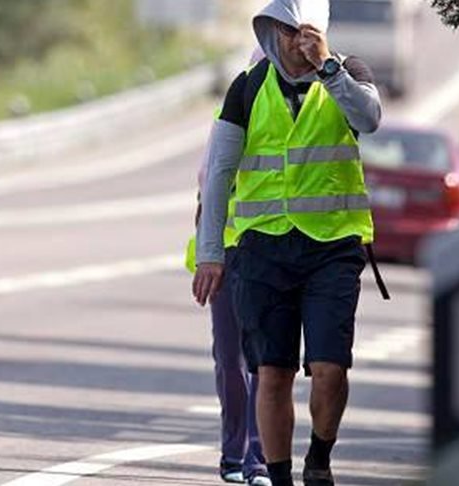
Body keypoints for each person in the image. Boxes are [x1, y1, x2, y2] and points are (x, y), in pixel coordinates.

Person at [191, 1, 383, 485]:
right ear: (269, 32)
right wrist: (211, 252)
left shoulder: (347, 72)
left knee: (330, 369)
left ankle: (319, 456)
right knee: (271, 374)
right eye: (283, 30)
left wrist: (328, 68)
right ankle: (277, 478)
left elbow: (370, 118)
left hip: (331, 245)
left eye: (302, 31)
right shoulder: (248, 87)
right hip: (263, 249)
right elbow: (218, 173)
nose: (292, 40)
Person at [186, 47, 272, 486]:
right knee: (229, 359)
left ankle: (259, 457)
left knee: (265, 359)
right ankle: (233, 453)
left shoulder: (297, 115)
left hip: (272, 250)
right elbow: (209, 181)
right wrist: (209, 253)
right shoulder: (235, 105)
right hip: (227, 252)